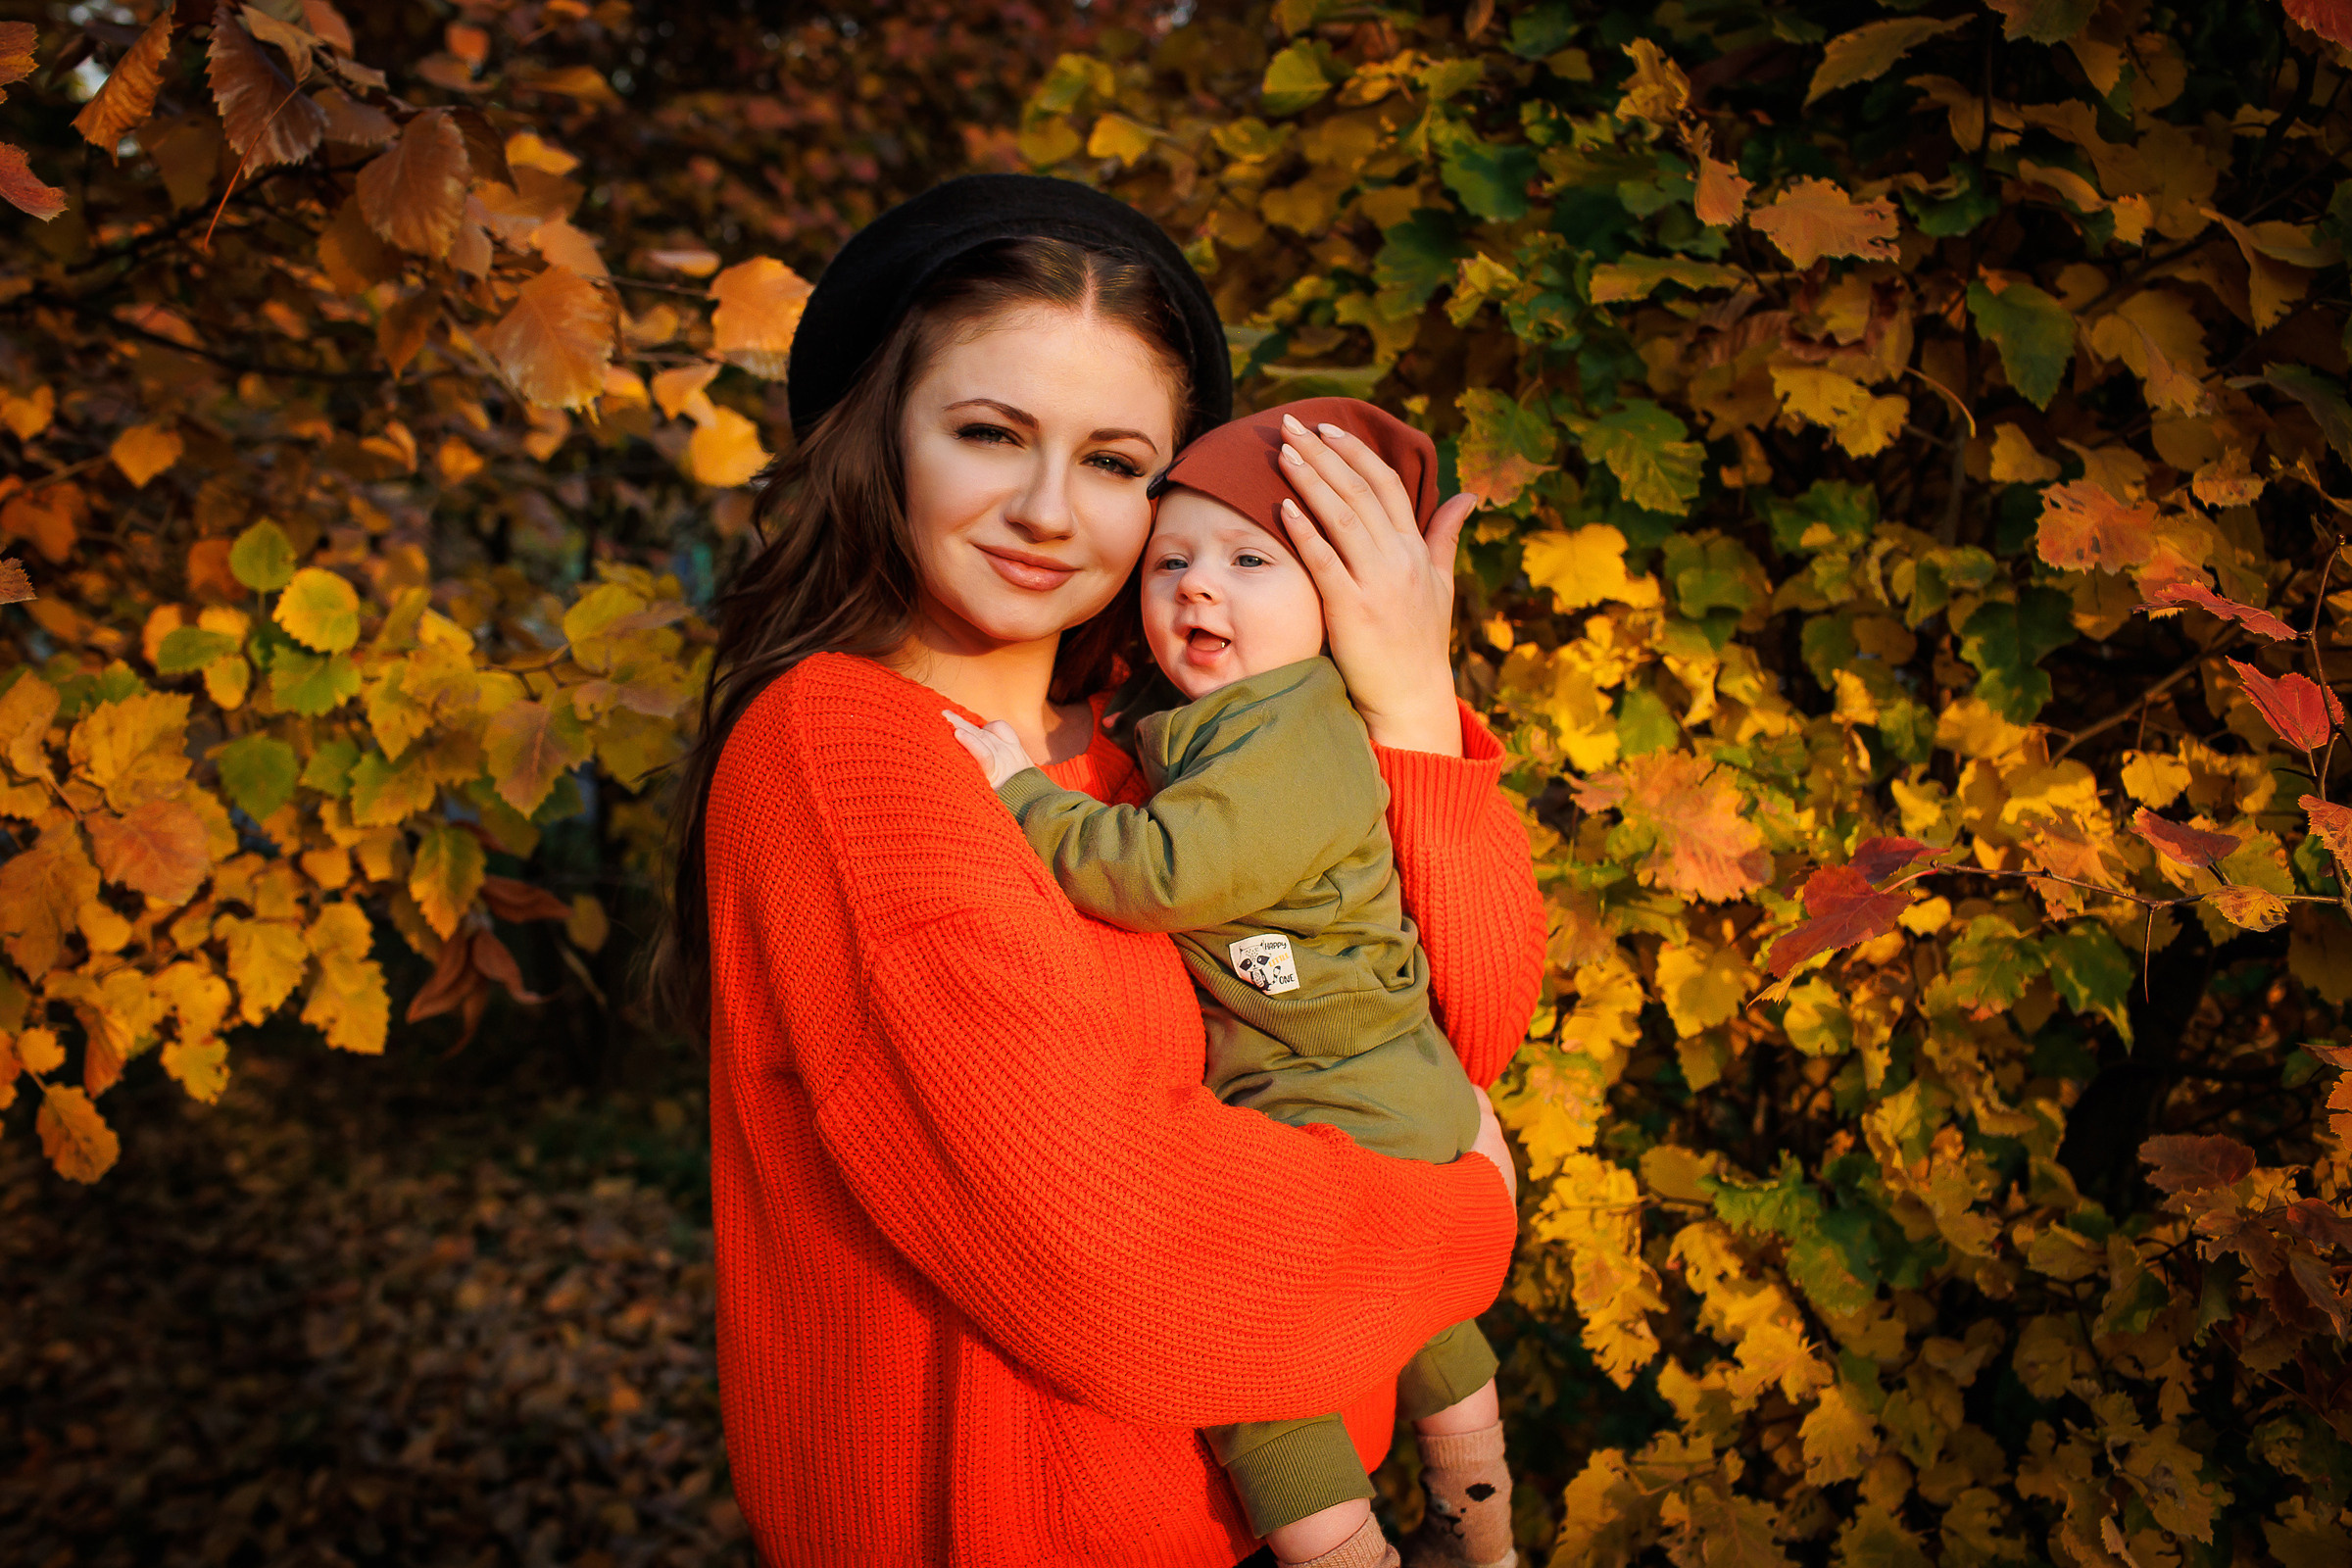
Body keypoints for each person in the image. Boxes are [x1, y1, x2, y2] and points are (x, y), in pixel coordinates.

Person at [651, 173, 1546, 1568]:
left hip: (1280, 1504)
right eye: (989, 433)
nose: (1049, 512)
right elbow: (1113, 1250)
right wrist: (1464, 1220)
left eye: (1119, 463)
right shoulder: (849, 755)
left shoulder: (1158, 747)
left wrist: (1411, 703)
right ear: (881, 436)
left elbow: (1446, 1039)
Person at [948, 396, 1519, 1568]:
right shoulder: (1214, 711)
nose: (1198, 586)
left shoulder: (1289, 729)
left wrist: (1024, 796)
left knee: (1252, 1351)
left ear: (1337, 601)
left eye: (1251, 559)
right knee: (1429, 1324)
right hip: (1374, 1086)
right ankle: (1486, 1533)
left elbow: (1170, 868)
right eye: (1172, 560)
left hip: (1340, 1088)